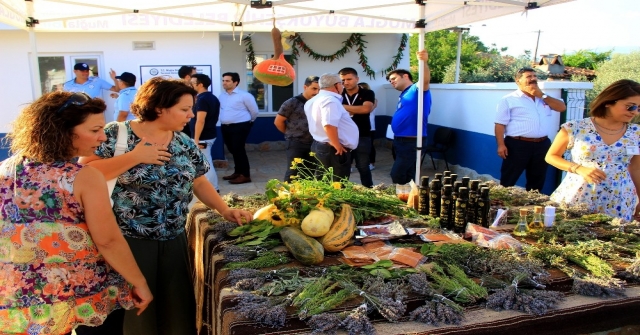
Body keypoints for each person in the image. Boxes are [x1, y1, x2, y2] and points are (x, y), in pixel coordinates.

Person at [78, 78, 253, 335]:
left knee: (175, 315)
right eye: (184, 109)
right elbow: (84, 171)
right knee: (136, 315)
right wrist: (134, 157)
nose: (191, 114)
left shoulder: (182, 142)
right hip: (127, 241)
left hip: (173, 239)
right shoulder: (117, 133)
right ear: (160, 107)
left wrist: (224, 209)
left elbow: (199, 180)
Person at [0, 91, 152, 335]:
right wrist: (139, 281)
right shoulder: (83, 176)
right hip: (81, 290)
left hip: (20, 292)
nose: (102, 137)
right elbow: (108, 240)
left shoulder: (6, 168)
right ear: (62, 130)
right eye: (94, 130)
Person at [546, 79, 640, 221]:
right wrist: (579, 168)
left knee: (612, 240)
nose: (635, 112)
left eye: (639, 108)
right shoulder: (575, 127)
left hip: (619, 201)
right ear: (609, 102)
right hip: (578, 196)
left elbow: (636, 169)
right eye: (630, 107)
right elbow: (551, 156)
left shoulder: (636, 133)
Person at [495, 67, 567, 191]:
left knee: (537, 181)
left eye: (534, 76)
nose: (533, 79)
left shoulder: (544, 98)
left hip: (542, 145)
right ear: (518, 81)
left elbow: (561, 108)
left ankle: (532, 207)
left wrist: (541, 95)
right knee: (508, 180)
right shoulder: (508, 99)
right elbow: (500, 124)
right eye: (529, 76)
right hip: (517, 145)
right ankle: (501, 207)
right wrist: (501, 145)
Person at [387, 50, 431, 185]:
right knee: (408, 174)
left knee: (398, 174)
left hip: (411, 141)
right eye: (390, 81)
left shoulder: (415, 89)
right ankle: (410, 199)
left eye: (394, 79)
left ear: (405, 76)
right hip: (400, 140)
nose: (391, 82)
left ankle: (403, 198)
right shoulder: (404, 94)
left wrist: (423, 62)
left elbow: (425, 80)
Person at [304, 73, 359, 180]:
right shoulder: (330, 100)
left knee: (324, 182)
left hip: (322, 145)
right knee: (337, 184)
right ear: (337, 85)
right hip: (333, 149)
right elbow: (329, 125)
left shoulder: (312, 100)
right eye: (342, 84)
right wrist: (337, 144)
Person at [274, 75, 320, 182]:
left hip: (314, 143)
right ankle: (288, 196)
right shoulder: (292, 102)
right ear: (305, 87)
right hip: (296, 143)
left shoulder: (319, 103)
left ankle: (305, 196)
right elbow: (278, 122)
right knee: (293, 172)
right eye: (314, 88)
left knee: (310, 172)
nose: (317, 92)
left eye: (319, 89)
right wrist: (290, 133)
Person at [219, 72, 259, 185]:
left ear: (235, 82)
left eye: (227, 81)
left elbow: (254, 111)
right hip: (225, 127)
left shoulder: (244, 95)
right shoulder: (222, 95)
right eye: (223, 80)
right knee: (232, 150)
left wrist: (249, 122)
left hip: (240, 126)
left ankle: (245, 175)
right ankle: (237, 172)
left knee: (238, 149)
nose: (224, 83)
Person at [339, 68, 376, 187]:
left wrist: (342, 107)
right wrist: (356, 109)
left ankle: (369, 191)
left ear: (357, 79)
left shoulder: (367, 93)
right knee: (343, 167)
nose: (346, 82)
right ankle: (342, 193)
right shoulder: (338, 93)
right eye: (343, 80)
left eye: (349, 79)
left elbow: (366, 109)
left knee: (363, 166)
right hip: (343, 136)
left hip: (362, 134)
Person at [190, 73, 221, 192]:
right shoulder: (212, 98)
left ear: (200, 84)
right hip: (209, 134)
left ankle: (213, 188)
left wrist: (196, 139)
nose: (191, 85)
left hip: (203, 137)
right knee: (204, 161)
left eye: (192, 83)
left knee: (205, 163)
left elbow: (200, 120)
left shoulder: (203, 99)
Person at [359, 82, 377, 171]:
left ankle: (371, 163)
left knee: (370, 146)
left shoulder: (373, 99)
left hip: (370, 127)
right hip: (359, 126)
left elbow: (367, 110)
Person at [178, 66, 197, 137]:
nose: (196, 77)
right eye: (194, 75)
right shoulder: (178, 91)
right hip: (180, 125)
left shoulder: (192, 90)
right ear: (187, 77)